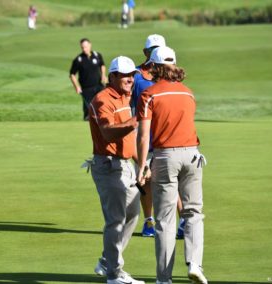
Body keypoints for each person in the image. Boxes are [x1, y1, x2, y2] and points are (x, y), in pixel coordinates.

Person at [136, 46, 208, 284]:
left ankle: (164, 279)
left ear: (154, 67)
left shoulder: (149, 95)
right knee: (193, 213)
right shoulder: (189, 93)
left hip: (166, 157)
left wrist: (142, 165)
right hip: (193, 156)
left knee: (165, 219)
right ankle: (195, 264)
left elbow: (144, 135)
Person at [89, 56, 144, 284]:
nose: (130, 79)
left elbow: (129, 139)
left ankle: (106, 259)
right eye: (124, 75)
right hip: (109, 166)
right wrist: (134, 121)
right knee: (115, 220)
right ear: (112, 77)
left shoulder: (124, 96)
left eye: (132, 75)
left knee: (132, 211)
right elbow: (108, 132)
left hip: (125, 165)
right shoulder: (103, 100)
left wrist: (142, 164)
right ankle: (114, 274)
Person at [132, 34, 186, 239]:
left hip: (167, 136)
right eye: (152, 49)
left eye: (159, 48)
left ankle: (182, 223)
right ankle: (149, 221)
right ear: (146, 53)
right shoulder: (136, 75)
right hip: (144, 134)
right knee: (145, 180)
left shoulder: (170, 74)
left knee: (174, 179)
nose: (155, 52)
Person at [69, 38, 106, 120]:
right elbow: (72, 74)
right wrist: (77, 86)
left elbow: (102, 65)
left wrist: (103, 75)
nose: (84, 49)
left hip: (99, 86)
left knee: (102, 107)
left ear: (90, 45)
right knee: (88, 111)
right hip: (86, 89)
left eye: (85, 47)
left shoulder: (97, 55)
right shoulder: (78, 60)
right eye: (82, 47)